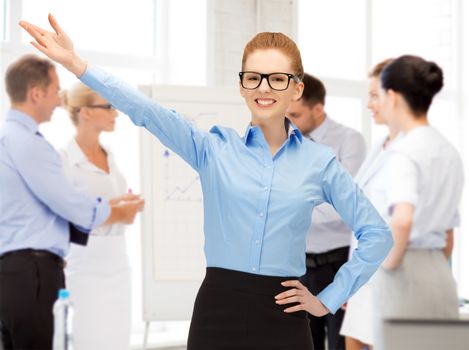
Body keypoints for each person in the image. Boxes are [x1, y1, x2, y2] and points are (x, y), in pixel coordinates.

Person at [20, 15, 393, 350]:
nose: (265, 88)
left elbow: (377, 233)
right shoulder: (213, 149)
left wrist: (327, 299)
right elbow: (146, 111)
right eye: (254, 78)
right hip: (218, 311)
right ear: (243, 86)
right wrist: (78, 65)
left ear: (296, 89)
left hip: (284, 316)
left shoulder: (319, 162)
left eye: (278, 79)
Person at [0, 55, 144, 350]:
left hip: (21, 271)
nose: (58, 100)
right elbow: (69, 204)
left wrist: (109, 206)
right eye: (54, 91)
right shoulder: (29, 143)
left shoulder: (8, 138)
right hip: (34, 271)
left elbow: (49, 205)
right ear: (35, 93)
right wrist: (116, 212)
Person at [367, 55, 463, 349]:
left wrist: (387, 265)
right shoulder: (448, 150)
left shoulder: (404, 152)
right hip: (439, 272)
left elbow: (403, 219)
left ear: (393, 97)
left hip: (403, 272)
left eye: (380, 96)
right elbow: (448, 234)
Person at [286, 73, 367, 350]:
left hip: (337, 266)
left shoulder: (349, 141)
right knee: (302, 342)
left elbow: (343, 206)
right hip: (299, 268)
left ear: (317, 109)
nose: (289, 121)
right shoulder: (286, 141)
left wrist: (291, 208)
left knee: (339, 344)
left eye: (295, 114)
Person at [60, 82, 132, 350]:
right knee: (90, 341)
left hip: (118, 264)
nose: (116, 113)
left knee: (118, 341)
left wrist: (122, 208)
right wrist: (117, 212)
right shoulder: (64, 161)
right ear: (85, 112)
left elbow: (102, 204)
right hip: (86, 267)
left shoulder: (110, 155)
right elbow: (66, 218)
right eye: (108, 106)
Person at [339, 58, 400, 350]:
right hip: (366, 276)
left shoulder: (414, 151)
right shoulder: (379, 147)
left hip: (392, 281)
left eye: (375, 96)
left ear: (395, 96)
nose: (369, 104)